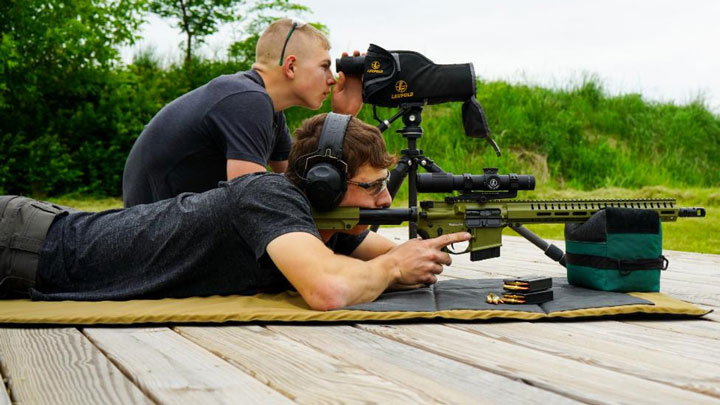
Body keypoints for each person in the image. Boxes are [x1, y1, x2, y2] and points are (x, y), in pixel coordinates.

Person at [1, 114, 470, 311]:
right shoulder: (268, 195)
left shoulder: (324, 222)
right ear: (325, 186)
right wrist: (391, 266)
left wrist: (418, 255)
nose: (385, 200)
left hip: (35, 245)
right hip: (24, 243)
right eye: (370, 188)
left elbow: (391, 258)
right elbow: (329, 289)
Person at [122, 18, 363, 207]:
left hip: (168, 228)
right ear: (291, 66)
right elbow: (253, 201)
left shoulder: (268, 110)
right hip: (157, 241)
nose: (332, 79)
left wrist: (342, 117)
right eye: (324, 66)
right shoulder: (247, 99)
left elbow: (305, 182)